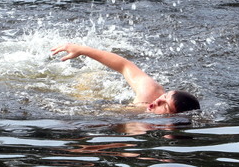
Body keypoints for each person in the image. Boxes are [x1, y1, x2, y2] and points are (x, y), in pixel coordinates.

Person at [50, 43, 200, 114]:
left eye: (165, 106)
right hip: (98, 99)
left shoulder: (139, 127)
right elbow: (124, 65)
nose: (157, 101)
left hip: (104, 110)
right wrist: (83, 50)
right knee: (85, 83)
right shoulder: (151, 92)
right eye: (164, 96)